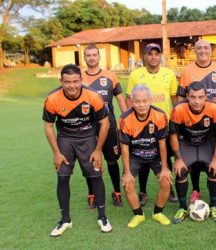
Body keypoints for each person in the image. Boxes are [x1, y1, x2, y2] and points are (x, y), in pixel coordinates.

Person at [43, 64, 112, 237]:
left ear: (81, 80)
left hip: (88, 137)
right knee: (63, 177)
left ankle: (102, 217)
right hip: (65, 139)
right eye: (67, 82)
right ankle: (65, 219)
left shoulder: (92, 96)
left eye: (75, 81)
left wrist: (98, 150)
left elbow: (105, 123)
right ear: (61, 81)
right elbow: (48, 126)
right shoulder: (52, 98)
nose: (72, 86)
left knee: (95, 175)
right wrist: (56, 152)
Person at [126, 43, 178, 205]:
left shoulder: (169, 74)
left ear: (161, 56)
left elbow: (175, 100)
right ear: (145, 56)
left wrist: (175, 122)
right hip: (141, 125)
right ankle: (142, 191)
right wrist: (131, 119)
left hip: (163, 124)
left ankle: (169, 187)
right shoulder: (135, 74)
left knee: (165, 158)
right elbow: (129, 98)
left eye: (157, 54)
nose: (153, 57)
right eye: (150, 54)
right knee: (142, 157)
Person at [178, 39, 216, 203]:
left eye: (206, 47)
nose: (203, 50)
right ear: (195, 51)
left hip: (214, 120)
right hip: (192, 120)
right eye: (199, 48)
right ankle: (196, 190)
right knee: (194, 162)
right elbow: (180, 98)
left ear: (211, 50)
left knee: (215, 158)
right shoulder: (187, 70)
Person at [170, 82, 216, 224]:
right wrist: (178, 158)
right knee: (180, 170)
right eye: (193, 97)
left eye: (200, 97)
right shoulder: (179, 109)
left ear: (206, 97)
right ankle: (182, 208)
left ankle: (213, 206)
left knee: (214, 169)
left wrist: (215, 158)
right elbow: (173, 135)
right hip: (186, 143)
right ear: (187, 96)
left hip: (206, 143)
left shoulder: (214, 108)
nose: (197, 101)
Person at [119, 85, 173, 228]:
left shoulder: (160, 115)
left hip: (155, 155)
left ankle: (158, 212)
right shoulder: (125, 119)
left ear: (150, 100)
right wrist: (127, 172)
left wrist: (165, 168)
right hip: (134, 156)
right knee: (128, 184)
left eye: (145, 101)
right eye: (137, 101)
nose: (141, 105)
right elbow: (124, 148)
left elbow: (162, 144)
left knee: (166, 181)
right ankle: (138, 214)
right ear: (131, 101)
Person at [82, 44, 127, 208]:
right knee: (89, 160)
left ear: (99, 57)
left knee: (112, 160)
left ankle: (117, 193)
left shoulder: (110, 75)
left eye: (94, 55)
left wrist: (126, 118)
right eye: (88, 55)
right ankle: (92, 194)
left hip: (109, 125)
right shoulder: (79, 77)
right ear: (84, 58)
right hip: (86, 127)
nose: (92, 58)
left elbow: (120, 99)